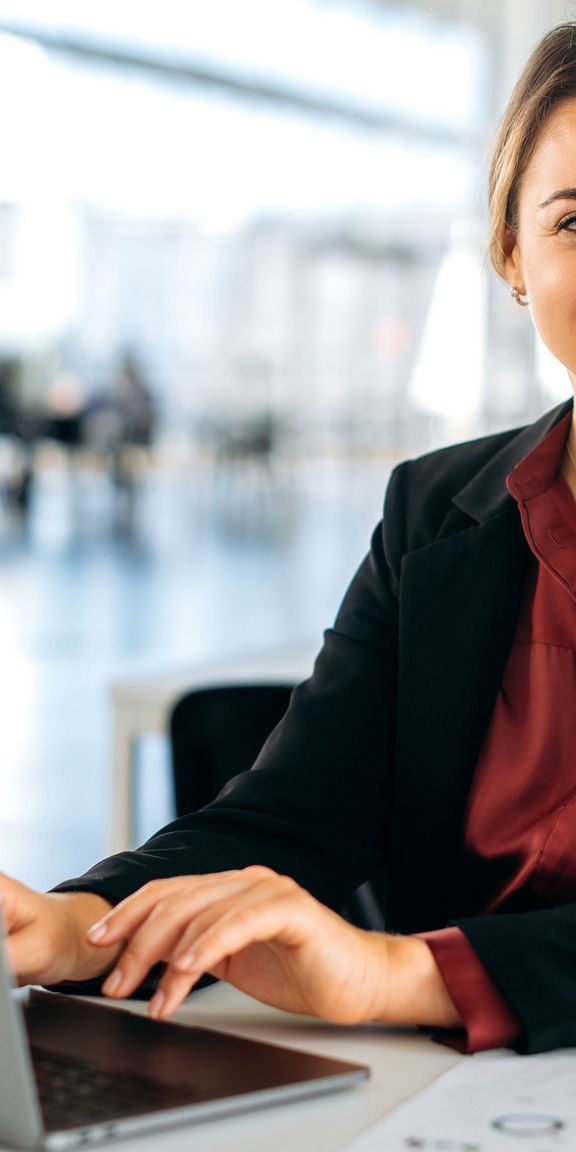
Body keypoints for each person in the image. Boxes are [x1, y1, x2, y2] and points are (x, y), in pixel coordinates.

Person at [4, 21, 576, 1057]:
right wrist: (73, 927)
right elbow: (294, 816)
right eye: (575, 220)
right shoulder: (435, 512)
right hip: (451, 1098)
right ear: (512, 255)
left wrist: (399, 972)